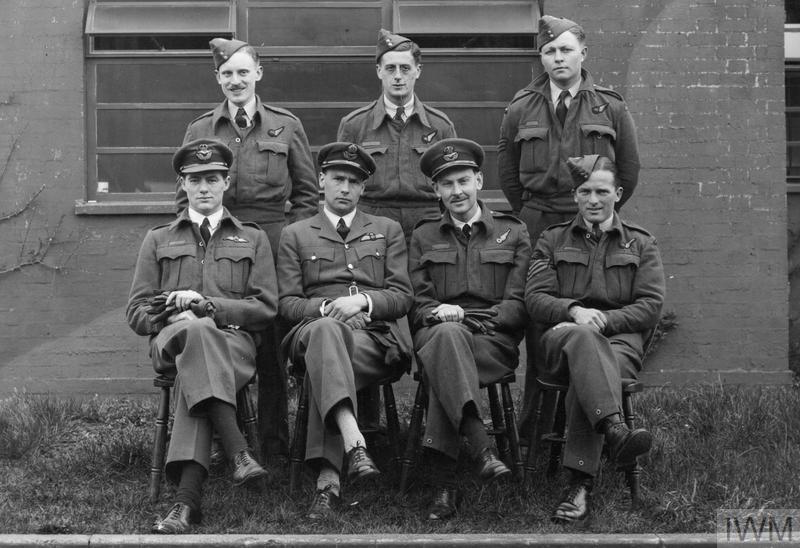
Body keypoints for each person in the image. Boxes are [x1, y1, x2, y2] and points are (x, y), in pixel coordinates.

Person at [497, 14, 641, 433]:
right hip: (539, 222)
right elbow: (508, 173)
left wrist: (595, 211)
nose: (557, 58)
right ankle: (536, 428)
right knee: (541, 318)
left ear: (583, 53)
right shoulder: (521, 107)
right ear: (541, 58)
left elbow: (627, 172)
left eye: (565, 49)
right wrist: (534, 212)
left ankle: (584, 420)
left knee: (590, 310)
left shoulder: (609, 106)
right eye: (549, 51)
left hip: (591, 225)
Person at [179, 37, 320, 461]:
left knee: (273, 346)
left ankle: (274, 444)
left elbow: (309, 196)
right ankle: (226, 439)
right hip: (220, 244)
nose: (235, 81)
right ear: (217, 78)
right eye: (227, 74)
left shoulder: (286, 124)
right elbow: (182, 198)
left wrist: (290, 242)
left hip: (274, 244)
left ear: (258, 73)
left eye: (243, 72)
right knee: (221, 336)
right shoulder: (201, 129)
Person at [127, 139, 277, 533]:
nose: (204, 187)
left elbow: (264, 308)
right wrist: (171, 313)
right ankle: (238, 450)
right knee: (194, 332)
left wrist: (209, 306)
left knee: (199, 352)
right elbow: (136, 312)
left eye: (213, 179)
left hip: (233, 346)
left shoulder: (253, 238)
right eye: (195, 180)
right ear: (183, 184)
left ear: (227, 182)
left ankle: (186, 504)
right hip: (171, 343)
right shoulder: (158, 238)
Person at [276, 142, 413, 520]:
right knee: (325, 333)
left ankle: (327, 480)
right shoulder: (296, 233)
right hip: (311, 332)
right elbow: (287, 305)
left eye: (354, 181)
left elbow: (402, 296)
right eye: (338, 178)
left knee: (328, 354)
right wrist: (330, 310)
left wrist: (362, 303)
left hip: (373, 339)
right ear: (321, 180)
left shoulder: (386, 230)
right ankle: (355, 441)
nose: (345, 188)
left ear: (363, 188)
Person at [525, 155, 664, 525]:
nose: (593, 199)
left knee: (590, 371)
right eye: (585, 191)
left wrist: (601, 322)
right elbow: (536, 299)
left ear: (617, 194)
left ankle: (579, 484)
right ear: (575, 196)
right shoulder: (552, 239)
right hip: (562, 339)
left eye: (602, 191)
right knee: (584, 344)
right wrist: (573, 311)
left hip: (618, 343)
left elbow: (650, 306)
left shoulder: (640, 243)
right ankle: (615, 430)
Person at [408, 138, 531, 520]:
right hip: (438, 332)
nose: (457, 191)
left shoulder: (513, 232)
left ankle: (444, 485)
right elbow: (418, 304)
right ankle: (482, 447)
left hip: (491, 342)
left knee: (449, 354)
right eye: (447, 184)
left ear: (479, 180)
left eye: (463, 180)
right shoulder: (423, 235)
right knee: (447, 340)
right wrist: (441, 316)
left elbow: (517, 304)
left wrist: (470, 319)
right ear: (436, 190)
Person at [337, 28, 457, 240]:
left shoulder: (440, 125)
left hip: (428, 225)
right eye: (391, 68)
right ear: (378, 71)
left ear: (418, 71)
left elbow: (454, 181)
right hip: (370, 225)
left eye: (405, 68)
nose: (398, 76)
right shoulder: (354, 125)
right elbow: (341, 184)